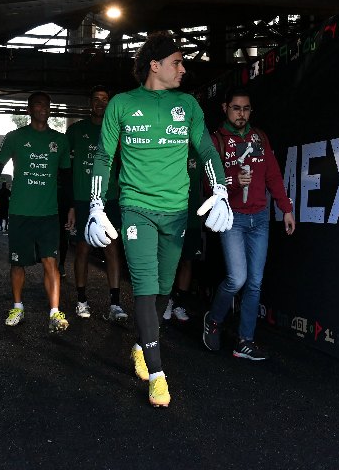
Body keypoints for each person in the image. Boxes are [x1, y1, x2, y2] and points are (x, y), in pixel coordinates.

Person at [85, 31, 233, 407]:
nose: (183, 69)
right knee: (146, 288)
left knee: (164, 287)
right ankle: (157, 374)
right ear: (155, 66)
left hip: (177, 212)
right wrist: (96, 205)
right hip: (136, 207)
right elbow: (104, 157)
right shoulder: (121, 104)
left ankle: (140, 344)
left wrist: (220, 190)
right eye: (177, 63)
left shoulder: (188, 105)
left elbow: (205, 149)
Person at [202, 87, 296, 360]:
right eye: (236, 108)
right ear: (225, 108)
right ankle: (214, 319)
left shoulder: (260, 138)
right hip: (232, 218)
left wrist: (286, 209)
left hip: (260, 218)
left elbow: (274, 177)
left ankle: (245, 340)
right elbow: (208, 186)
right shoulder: (216, 140)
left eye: (246, 109)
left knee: (254, 283)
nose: (241, 114)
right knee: (237, 279)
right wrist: (231, 180)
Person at [0, 92, 72, 333]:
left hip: (49, 214)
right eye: (38, 105)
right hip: (20, 212)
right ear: (29, 109)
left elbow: (66, 178)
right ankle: (18, 307)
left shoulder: (60, 141)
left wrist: (71, 207)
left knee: (50, 261)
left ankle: (54, 312)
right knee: (17, 263)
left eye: (46, 105)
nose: (43, 109)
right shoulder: (15, 138)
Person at [65, 85, 129, 324]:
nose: (101, 103)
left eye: (105, 99)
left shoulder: (117, 131)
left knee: (112, 248)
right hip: (83, 199)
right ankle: (81, 300)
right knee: (83, 249)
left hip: (110, 199)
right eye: (96, 99)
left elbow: (127, 166)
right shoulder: (76, 131)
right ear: (89, 104)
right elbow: (66, 168)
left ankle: (115, 304)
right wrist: (71, 204)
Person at [162, 148, 204, 323]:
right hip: (171, 217)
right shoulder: (168, 150)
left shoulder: (198, 153)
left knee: (187, 261)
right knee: (170, 262)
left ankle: (179, 303)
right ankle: (166, 301)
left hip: (193, 217)